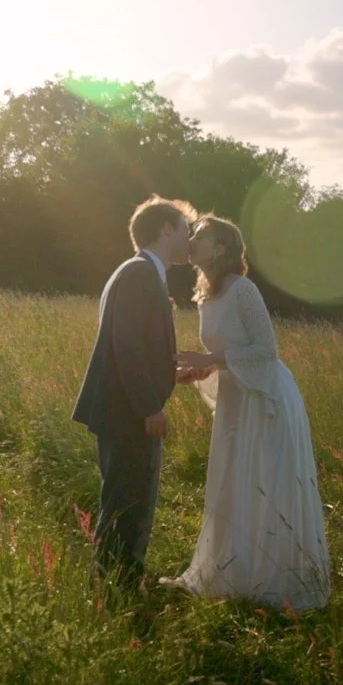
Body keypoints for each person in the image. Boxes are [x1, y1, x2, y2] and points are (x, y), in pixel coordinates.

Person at [166, 215, 331, 610]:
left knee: (263, 480)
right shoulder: (205, 293)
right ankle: (229, 574)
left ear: (221, 248)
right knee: (232, 480)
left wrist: (211, 358)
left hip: (266, 397)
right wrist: (202, 368)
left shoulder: (243, 290)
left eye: (201, 236)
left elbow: (265, 350)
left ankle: (272, 579)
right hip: (236, 398)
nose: (192, 240)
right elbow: (228, 354)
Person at [70, 195, 197, 586]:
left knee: (128, 497)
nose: (190, 239)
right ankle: (117, 587)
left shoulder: (141, 272)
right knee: (129, 502)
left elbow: (137, 343)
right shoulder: (140, 273)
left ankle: (119, 581)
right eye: (185, 229)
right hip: (126, 411)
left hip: (124, 407)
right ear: (166, 230)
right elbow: (126, 345)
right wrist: (148, 407)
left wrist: (170, 370)